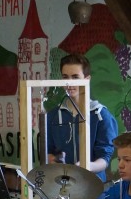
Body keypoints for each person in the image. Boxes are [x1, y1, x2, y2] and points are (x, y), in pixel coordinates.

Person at [45, 54, 117, 182]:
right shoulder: (52, 116)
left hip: (93, 186)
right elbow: (49, 151)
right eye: (65, 77)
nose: (69, 83)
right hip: (62, 187)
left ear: (87, 79)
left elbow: (105, 158)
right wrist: (52, 160)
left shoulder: (102, 116)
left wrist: (86, 166)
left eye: (75, 77)